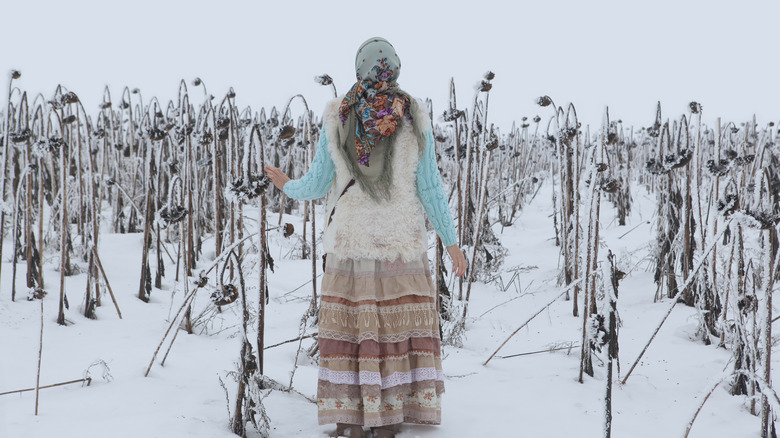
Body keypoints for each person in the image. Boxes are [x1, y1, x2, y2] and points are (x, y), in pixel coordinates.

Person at [265, 37, 466, 438]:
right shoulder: (412, 117)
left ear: (359, 70)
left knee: (356, 328)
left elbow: (320, 182)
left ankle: (353, 420)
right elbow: (430, 186)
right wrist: (450, 239)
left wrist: (289, 187)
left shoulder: (338, 116)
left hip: (351, 243)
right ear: (395, 70)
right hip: (400, 244)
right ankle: (390, 417)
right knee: (395, 330)